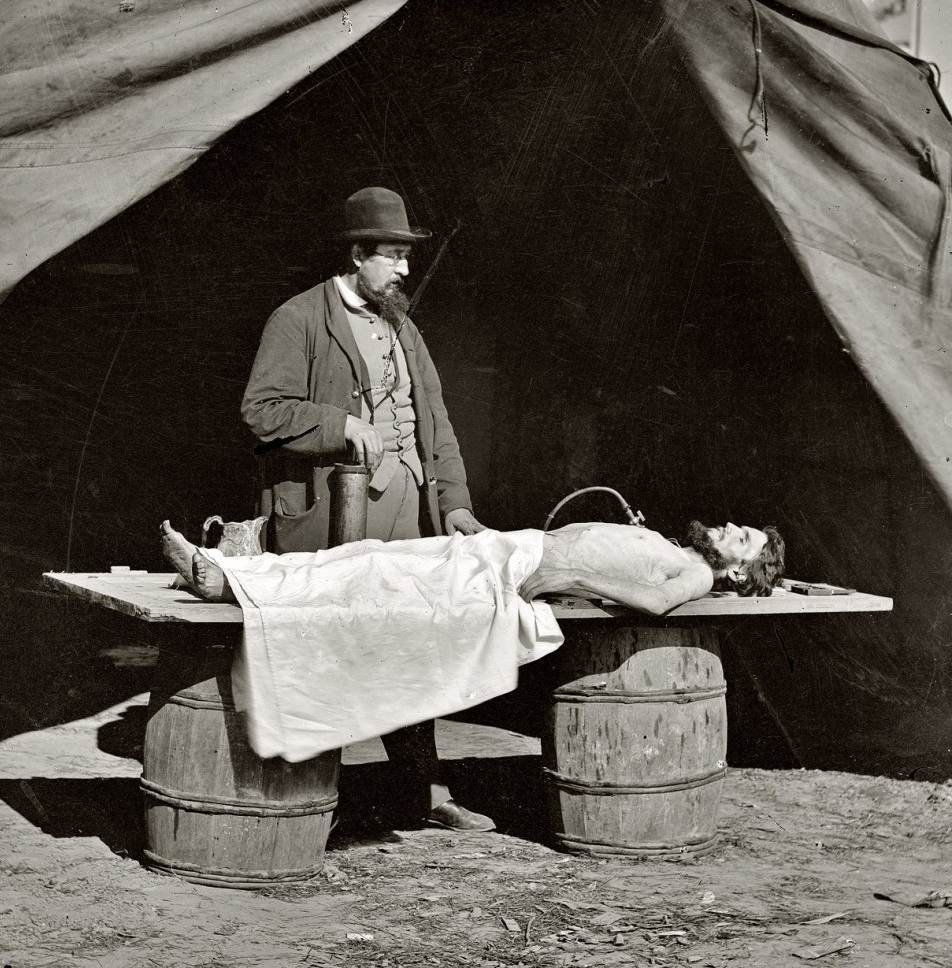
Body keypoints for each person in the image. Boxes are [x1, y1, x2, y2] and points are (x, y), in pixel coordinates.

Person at [239, 187, 490, 831]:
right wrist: (339, 422)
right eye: (394, 256)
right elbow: (261, 412)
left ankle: (424, 792)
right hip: (332, 516)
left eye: (407, 256)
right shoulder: (297, 319)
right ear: (356, 255)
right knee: (326, 648)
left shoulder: (404, 327)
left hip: (409, 512)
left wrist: (455, 503)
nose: (405, 269)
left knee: (410, 648)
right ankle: (306, 797)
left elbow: (435, 422)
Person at [162, 518, 785, 615]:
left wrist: (572, 579)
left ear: (737, 572)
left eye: (744, 540)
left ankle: (228, 582)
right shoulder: (683, 550)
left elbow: (652, 603)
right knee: (373, 556)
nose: (733, 528)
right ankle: (235, 569)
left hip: (528, 568)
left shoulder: (700, 576)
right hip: (518, 549)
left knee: (378, 571)